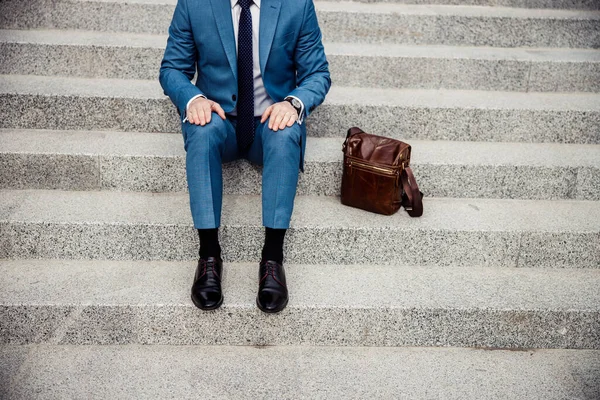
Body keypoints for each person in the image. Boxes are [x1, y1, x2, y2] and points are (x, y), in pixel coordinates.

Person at [159, 0, 331, 313]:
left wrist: (293, 103)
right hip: (219, 118)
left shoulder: (296, 5)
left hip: (269, 121)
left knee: (286, 133)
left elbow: (317, 74)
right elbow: (172, 68)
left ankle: (272, 259)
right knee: (200, 129)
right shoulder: (194, 4)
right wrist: (193, 98)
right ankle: (209, 256)